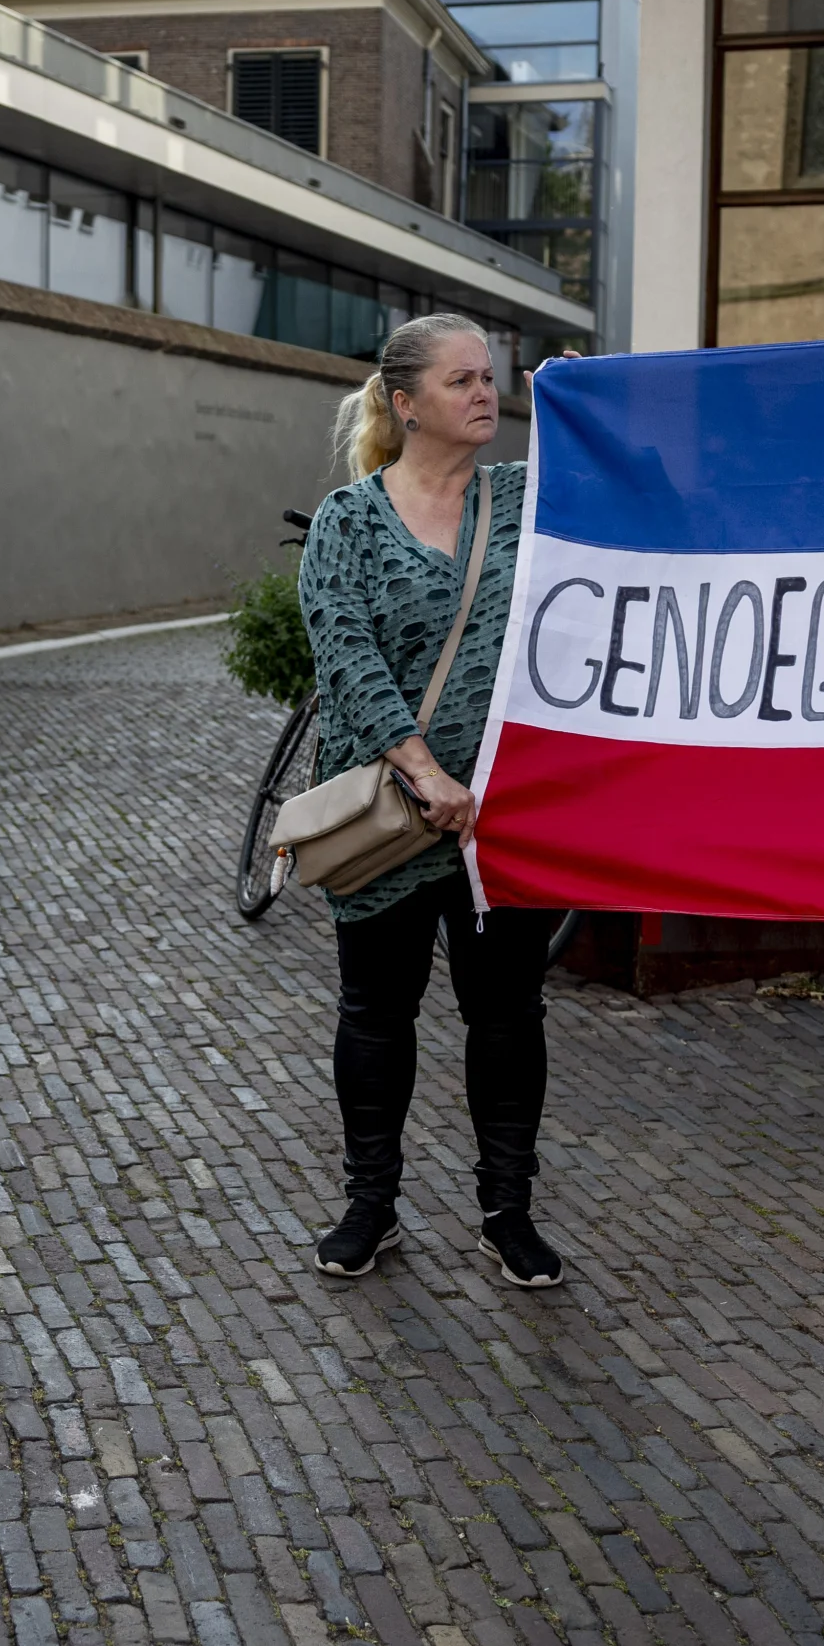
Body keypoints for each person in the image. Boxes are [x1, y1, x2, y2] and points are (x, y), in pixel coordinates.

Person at [292, 313, 563, 1291]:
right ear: (406, 403)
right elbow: (346, 652)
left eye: (490, 377)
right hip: (392, 811)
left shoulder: (529, 499)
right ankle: (371, 1204)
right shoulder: (349, 522)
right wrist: (423, 769)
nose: (486, 393)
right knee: (376, 1011)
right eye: (462, 380)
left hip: (503, 815)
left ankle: (507, 1211)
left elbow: (638, 504)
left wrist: (588, 410)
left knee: (508, 1013)